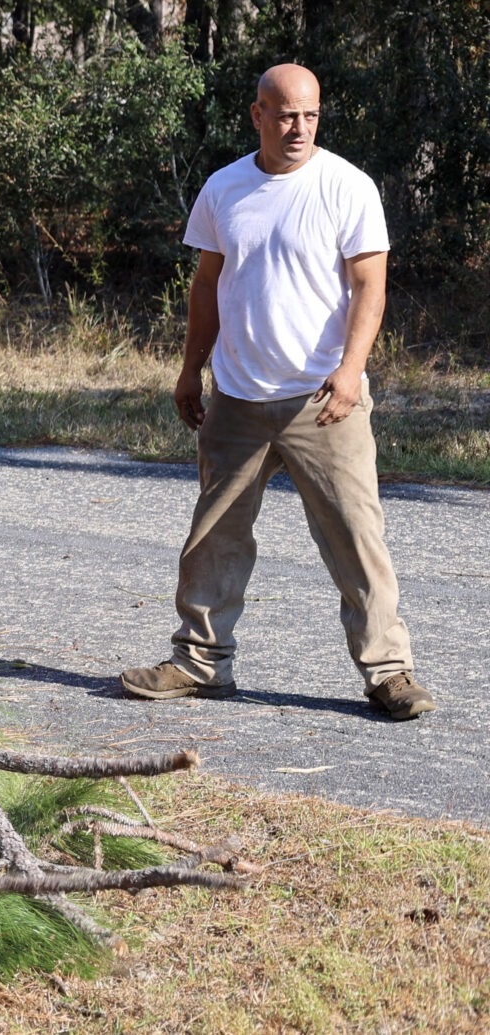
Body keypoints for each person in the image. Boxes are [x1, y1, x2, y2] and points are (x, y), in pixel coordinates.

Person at [121, 64, 433, 719]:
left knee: (356, 536)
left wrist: (350, 371)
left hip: (324, 399)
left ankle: (388, 672)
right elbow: (207, 285)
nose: (300, 128)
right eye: (287, 114)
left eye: (311, 115)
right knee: (213, 535)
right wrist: (190, 368)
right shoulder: (224, 187)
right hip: (236, 396)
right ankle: (200, 661)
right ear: (257, 113)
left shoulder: (345, 185)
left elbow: (370, 286)